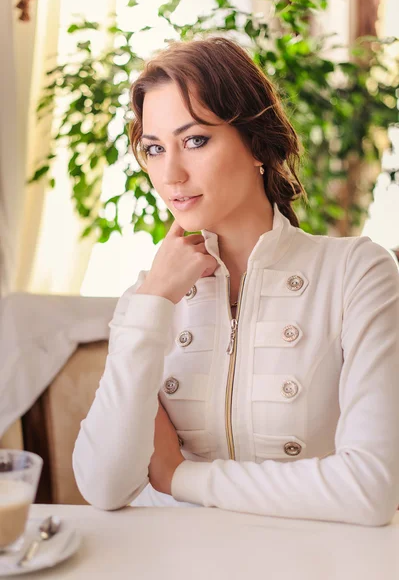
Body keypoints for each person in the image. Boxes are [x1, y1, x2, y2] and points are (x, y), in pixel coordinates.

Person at [72, 36, 399, 526]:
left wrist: (178, 476)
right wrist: (154, 301)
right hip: (173, 565)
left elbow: (370, 488)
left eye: (196, 140)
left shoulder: (356, 273)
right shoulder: (148, 298)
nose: (171, 174)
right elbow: (102, 485)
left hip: (315, 565)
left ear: (256, 142)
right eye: (155, 149)